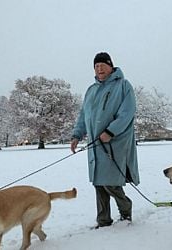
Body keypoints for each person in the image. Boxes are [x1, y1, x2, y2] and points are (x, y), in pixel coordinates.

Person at [70, 52, 140, 229]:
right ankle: (103, 220)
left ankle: (126, 212)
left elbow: (127, 113)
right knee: (98, 183)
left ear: (111, 66)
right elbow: (83, 115)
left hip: (114, 143)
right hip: (95, 144)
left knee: (110, 182)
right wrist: (76, 135)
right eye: (96, 66)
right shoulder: (91, 90)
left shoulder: (123, 86)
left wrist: (111, 131)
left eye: (102, 65)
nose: (99, 68)